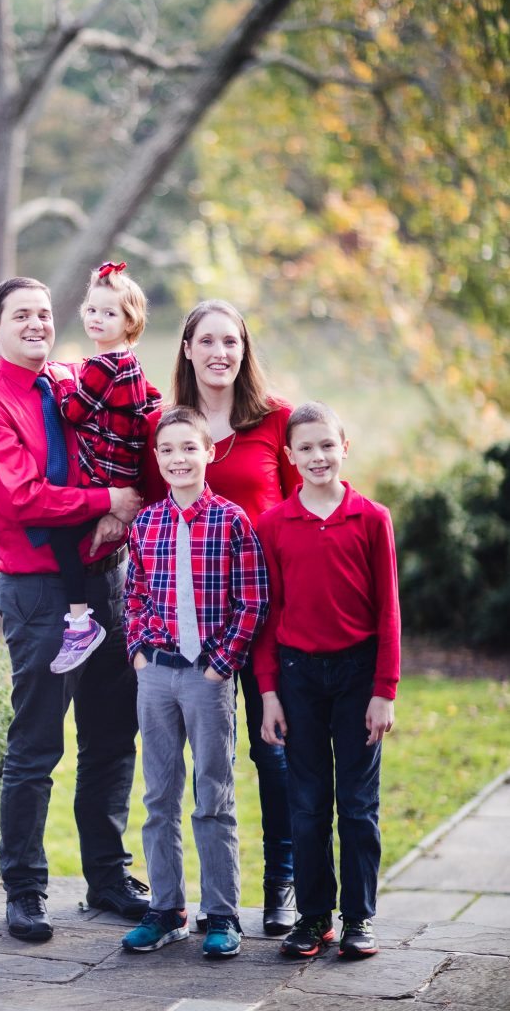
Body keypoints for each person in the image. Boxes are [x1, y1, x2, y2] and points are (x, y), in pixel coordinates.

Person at [0, 276, 150, 944]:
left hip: (107, 580)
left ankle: (107, 876)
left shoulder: (71, 381)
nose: (37, 323)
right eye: (21, 315)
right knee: (36, 743)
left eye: (43, 313)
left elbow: (133, 425)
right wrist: (107, 503)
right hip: (39, 594)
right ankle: (25, 891)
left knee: (111, 734)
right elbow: (22, 497)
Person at [142, 298, 300, 934]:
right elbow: (155, 530)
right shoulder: (168, 428)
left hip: (268, 612)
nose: (219, 353)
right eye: (206, 341)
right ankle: (172, 900)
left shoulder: (275, 421)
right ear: (187, 349)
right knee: (183, 773)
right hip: (191, 626)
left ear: (244, 349)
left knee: (274, 749)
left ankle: (282, 884)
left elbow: (303, 507)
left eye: (230, 341)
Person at [253, 401, 400, 960]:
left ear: (345, 448)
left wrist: (384, 690)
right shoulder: (274, 524)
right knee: (308, 802)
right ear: (289, 457)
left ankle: (360, 917)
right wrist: (268, 693)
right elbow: (269, 614)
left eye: (326, 445)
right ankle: (314, 918)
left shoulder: (371, 519)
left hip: (358, 675)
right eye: (306, 449)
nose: (317, 456)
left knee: (357, 805)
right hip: (297, 677)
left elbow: (388, 612)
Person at [122, 406, 269, 958]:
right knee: (159, 794)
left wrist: (221, 665)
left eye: (189, 448)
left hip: (207, 677)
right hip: (156, 674)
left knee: (213, 794)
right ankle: (166, 909)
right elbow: (134, 593)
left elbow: (252, 601)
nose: (178, 459)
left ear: (208, 453)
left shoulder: (232, 522)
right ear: (157, 460)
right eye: (167, 451)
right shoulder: (147, 524)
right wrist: (139, 652)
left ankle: (222, 913)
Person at [44, 261, 161, 674]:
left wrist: (59, 382)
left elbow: (73, 411)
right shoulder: (130, 362)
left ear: (130, 322)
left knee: (60, 533)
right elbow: (152, 400)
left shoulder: (100, 366)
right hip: (124, 468)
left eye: (110, 313)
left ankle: (79, 623)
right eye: (92, 310)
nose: (97, 318)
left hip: (106, 472)